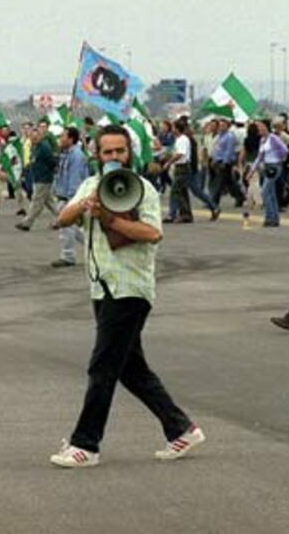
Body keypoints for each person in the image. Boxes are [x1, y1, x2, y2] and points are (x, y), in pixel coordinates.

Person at [50, 125, 205, 468]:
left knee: (103, 366)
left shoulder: (142, 189)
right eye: (108, 152)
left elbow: (151, 233)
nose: (115, 157)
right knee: (131, 368)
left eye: (120, 151)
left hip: (130, 289)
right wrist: (84, 208)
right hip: (101, 286)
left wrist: (111, 219)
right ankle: (181, 429)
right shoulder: (91, 185)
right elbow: (61, 219)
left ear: (129, 153)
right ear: (97, 155)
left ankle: (85, 444)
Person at [51, 126, 89, 268]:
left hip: (70, 197)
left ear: (71, 139)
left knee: (66, 227)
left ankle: (68, 256)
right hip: (63, 195)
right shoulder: (66, 154)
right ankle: (94, 245)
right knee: (73, 228)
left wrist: (71, 200)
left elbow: (75, 178)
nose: (60, 139)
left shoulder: (76, 156)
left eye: (63, 136)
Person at [246, 119, 288, 227]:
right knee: (271, 193)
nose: (258, 129)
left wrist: (279, 159)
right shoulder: (262, 140)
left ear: (266, 127)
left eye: (260, 126)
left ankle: (270, 217)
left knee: (265, 192)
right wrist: (252, 171)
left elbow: (285, 150)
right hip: (266, 167)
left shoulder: (273, 138)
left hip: (274, 167)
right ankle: (274, 218)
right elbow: (259, 157)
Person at [16, 126, 58, 231]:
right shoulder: (34, 147)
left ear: (40, 136)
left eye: (36, 137)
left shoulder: (44, 147)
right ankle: (63, 218)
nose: (34, 139)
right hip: (37, 177)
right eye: (32, 137)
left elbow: (52, 161)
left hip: (43, 178)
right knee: (50, 202)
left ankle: (27, 223)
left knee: (36, 201)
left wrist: (49, 172)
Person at [162, 118, 193, 223]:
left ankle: (172, 214)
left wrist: (169, 162)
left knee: (175, 191)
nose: (172, 129)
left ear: (177, 129)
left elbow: (180, 154)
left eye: (173, 127)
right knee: (182, 192)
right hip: (180, 167)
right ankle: (186, 214)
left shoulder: (182, 139)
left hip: (182, 167)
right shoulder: (179, 139)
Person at [210, 118, 245, 208]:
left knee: (218, 182)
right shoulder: (220, 136)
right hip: (218, 160)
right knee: (230, 182)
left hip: (225, 162)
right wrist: (214, 159)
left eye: (223, 125)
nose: (221, 127)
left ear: (227, 126)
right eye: (220, 125)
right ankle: (240, 196)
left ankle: (214, 201)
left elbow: (229, 151)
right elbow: (217, 149)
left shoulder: (229, 136)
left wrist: (225, 162)